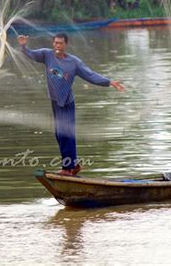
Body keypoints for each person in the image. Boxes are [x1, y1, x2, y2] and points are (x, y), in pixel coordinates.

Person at [17, 33, 125, 175]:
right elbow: (30, 54)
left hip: (67, 102)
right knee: (59, 134)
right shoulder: (46, 55)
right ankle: (72, 165)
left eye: (60, 43)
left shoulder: (73, 62)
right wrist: (23, 45)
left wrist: (109, 82)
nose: (57, 46)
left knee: (66, 134)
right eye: (55, 43)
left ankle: (69, 168)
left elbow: (90, 75)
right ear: (53, 43)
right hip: (55, 102)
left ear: (65, 45)